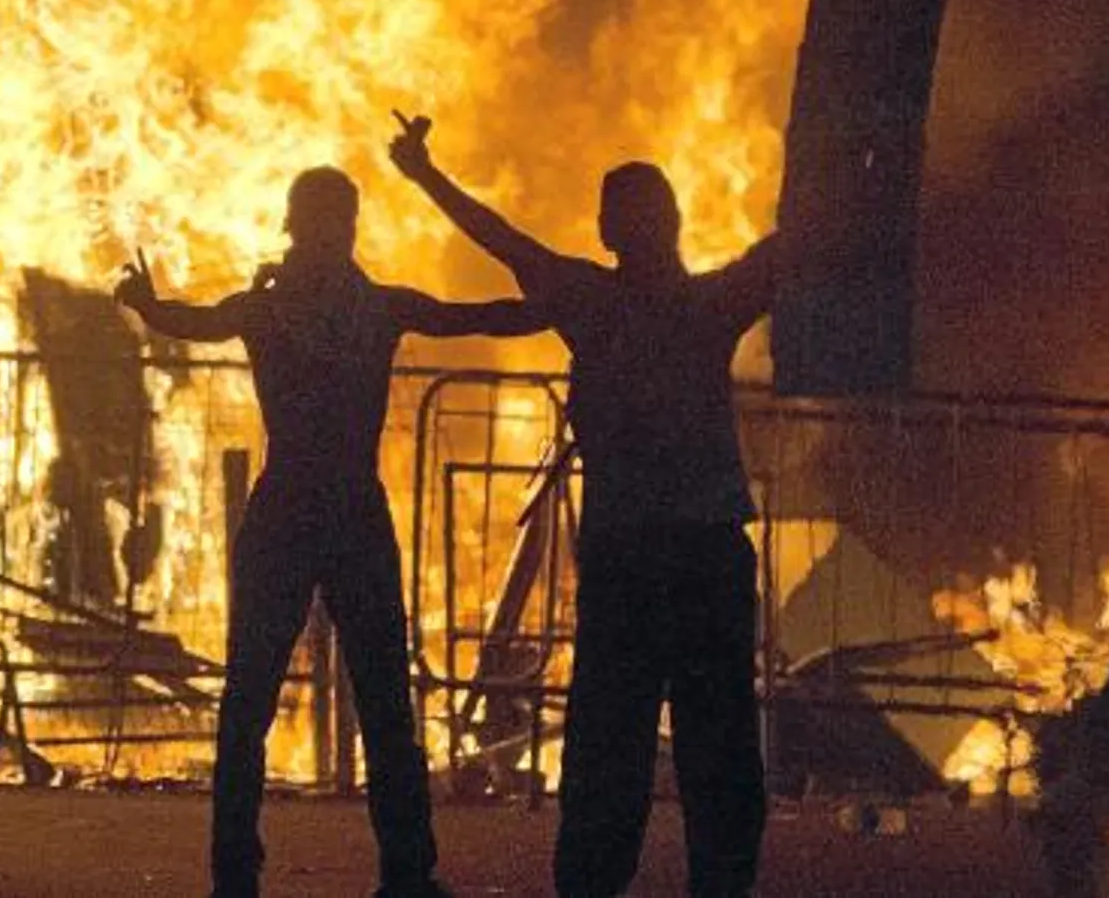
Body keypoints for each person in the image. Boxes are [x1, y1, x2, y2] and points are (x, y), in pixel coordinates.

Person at [115, 166, 542, 898]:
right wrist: (561, 305)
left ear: (295, 225)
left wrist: (147, 303)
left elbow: (186, 320)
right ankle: (405, 872)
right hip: (347, 510)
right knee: (378, 702)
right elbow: (474, 316)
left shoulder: (266, 310)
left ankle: (239, 878)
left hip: (289, 511)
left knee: (254, 701)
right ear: (344, 228)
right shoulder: (373, 308)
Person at [387, 113, 777, 898]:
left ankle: (595, 885)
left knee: (609, 749)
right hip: (704, 558)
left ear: (607, 232)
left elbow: (501, 238)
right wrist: (856, 159)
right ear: (672, 223)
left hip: (630, 559)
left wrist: (424, 174)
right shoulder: (713, 302)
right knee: (719, 750)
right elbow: (789, 250)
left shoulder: (590, 300)